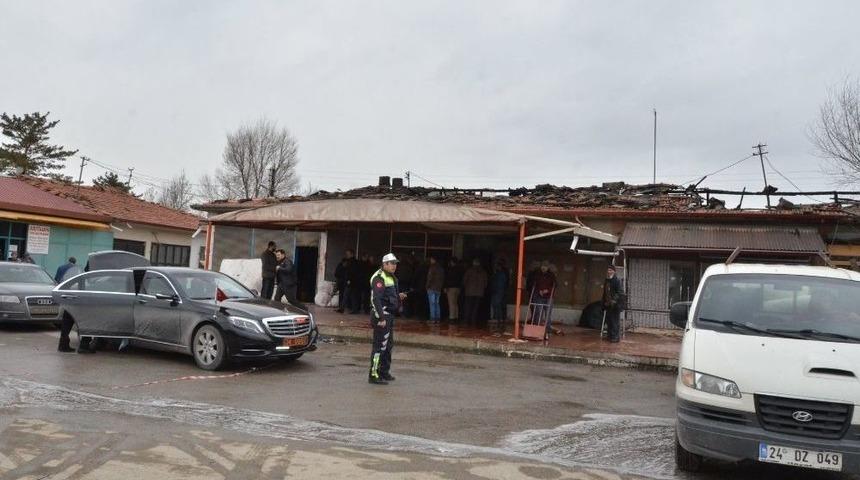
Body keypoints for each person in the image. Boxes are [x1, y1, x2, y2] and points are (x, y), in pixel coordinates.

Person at [368, 253, 407, 385]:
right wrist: (381, 317)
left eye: (395, 263)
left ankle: (384, 372)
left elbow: (388, 295)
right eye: (392, 263)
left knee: (388, 346)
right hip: (382, 316)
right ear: (385, 264)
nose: (394, 266)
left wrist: (398, 296)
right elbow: (376, 299)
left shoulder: (390, 276)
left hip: (389, 316)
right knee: (379, 347)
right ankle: (374, 375)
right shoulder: (379, 278)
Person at [530, 261, 559, 338]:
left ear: (548, 267)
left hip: (548, 296)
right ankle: (537, 329)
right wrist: (539, 290)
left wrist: (547, 290)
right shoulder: (537, 275)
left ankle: (547, 330)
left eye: (545, 266)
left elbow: (555, 284)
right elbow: (534, 284)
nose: (543, 267)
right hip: (539, 296)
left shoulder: (551, 275)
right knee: (538, 312)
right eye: (542, 266)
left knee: (547, 314)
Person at [462, 258, 488, 327]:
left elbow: (464, 281)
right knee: (475, 308)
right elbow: (485, 283)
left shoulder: (469, 270)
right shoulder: (483, 272)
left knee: (468, 307)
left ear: (473, 263)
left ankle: (466, 321)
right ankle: (473, 321)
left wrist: (466, 287)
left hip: (469, 292)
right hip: (479, 293)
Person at [603, 265, 625, 343]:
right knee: (609, 321)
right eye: (608, 270)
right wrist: (605, 301)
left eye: (610, 270)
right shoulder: (607, 280)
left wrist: (614, 300)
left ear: (614, 271)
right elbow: (605, 292)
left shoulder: (617, 280)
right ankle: (610, 336)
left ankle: (615, 337)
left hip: (615, 305)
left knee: (615, 321)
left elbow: (619, 292)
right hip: (608, 304)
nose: (609, 272)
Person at [490, 259, 509, 331]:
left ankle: (498, 318)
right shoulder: (501, 274)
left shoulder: (500, 274)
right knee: (497, 304)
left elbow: (499, 283)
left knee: (497, 304)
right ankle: (499, 318)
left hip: (498, 291)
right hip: (499, 291)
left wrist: (495, 289)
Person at [425, 256, 445, 323]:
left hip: (432, 288)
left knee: (432, 304)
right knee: (437, 303)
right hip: (438, 288)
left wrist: (427, 286)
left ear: (433, 260)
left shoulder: (432, 268)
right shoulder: (441, 269)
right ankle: (438, 318)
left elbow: (430, 278)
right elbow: (442, 279)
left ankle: (432, 318)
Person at [444, 257, 463, 322]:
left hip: (451, 288)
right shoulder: (460, 270)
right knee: (455, 303)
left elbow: (448, 279)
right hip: (458, 288)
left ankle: (452, 318)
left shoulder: (450, 270)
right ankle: (456, 317)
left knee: (451, 303)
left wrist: (446, 287)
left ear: (452, 262)